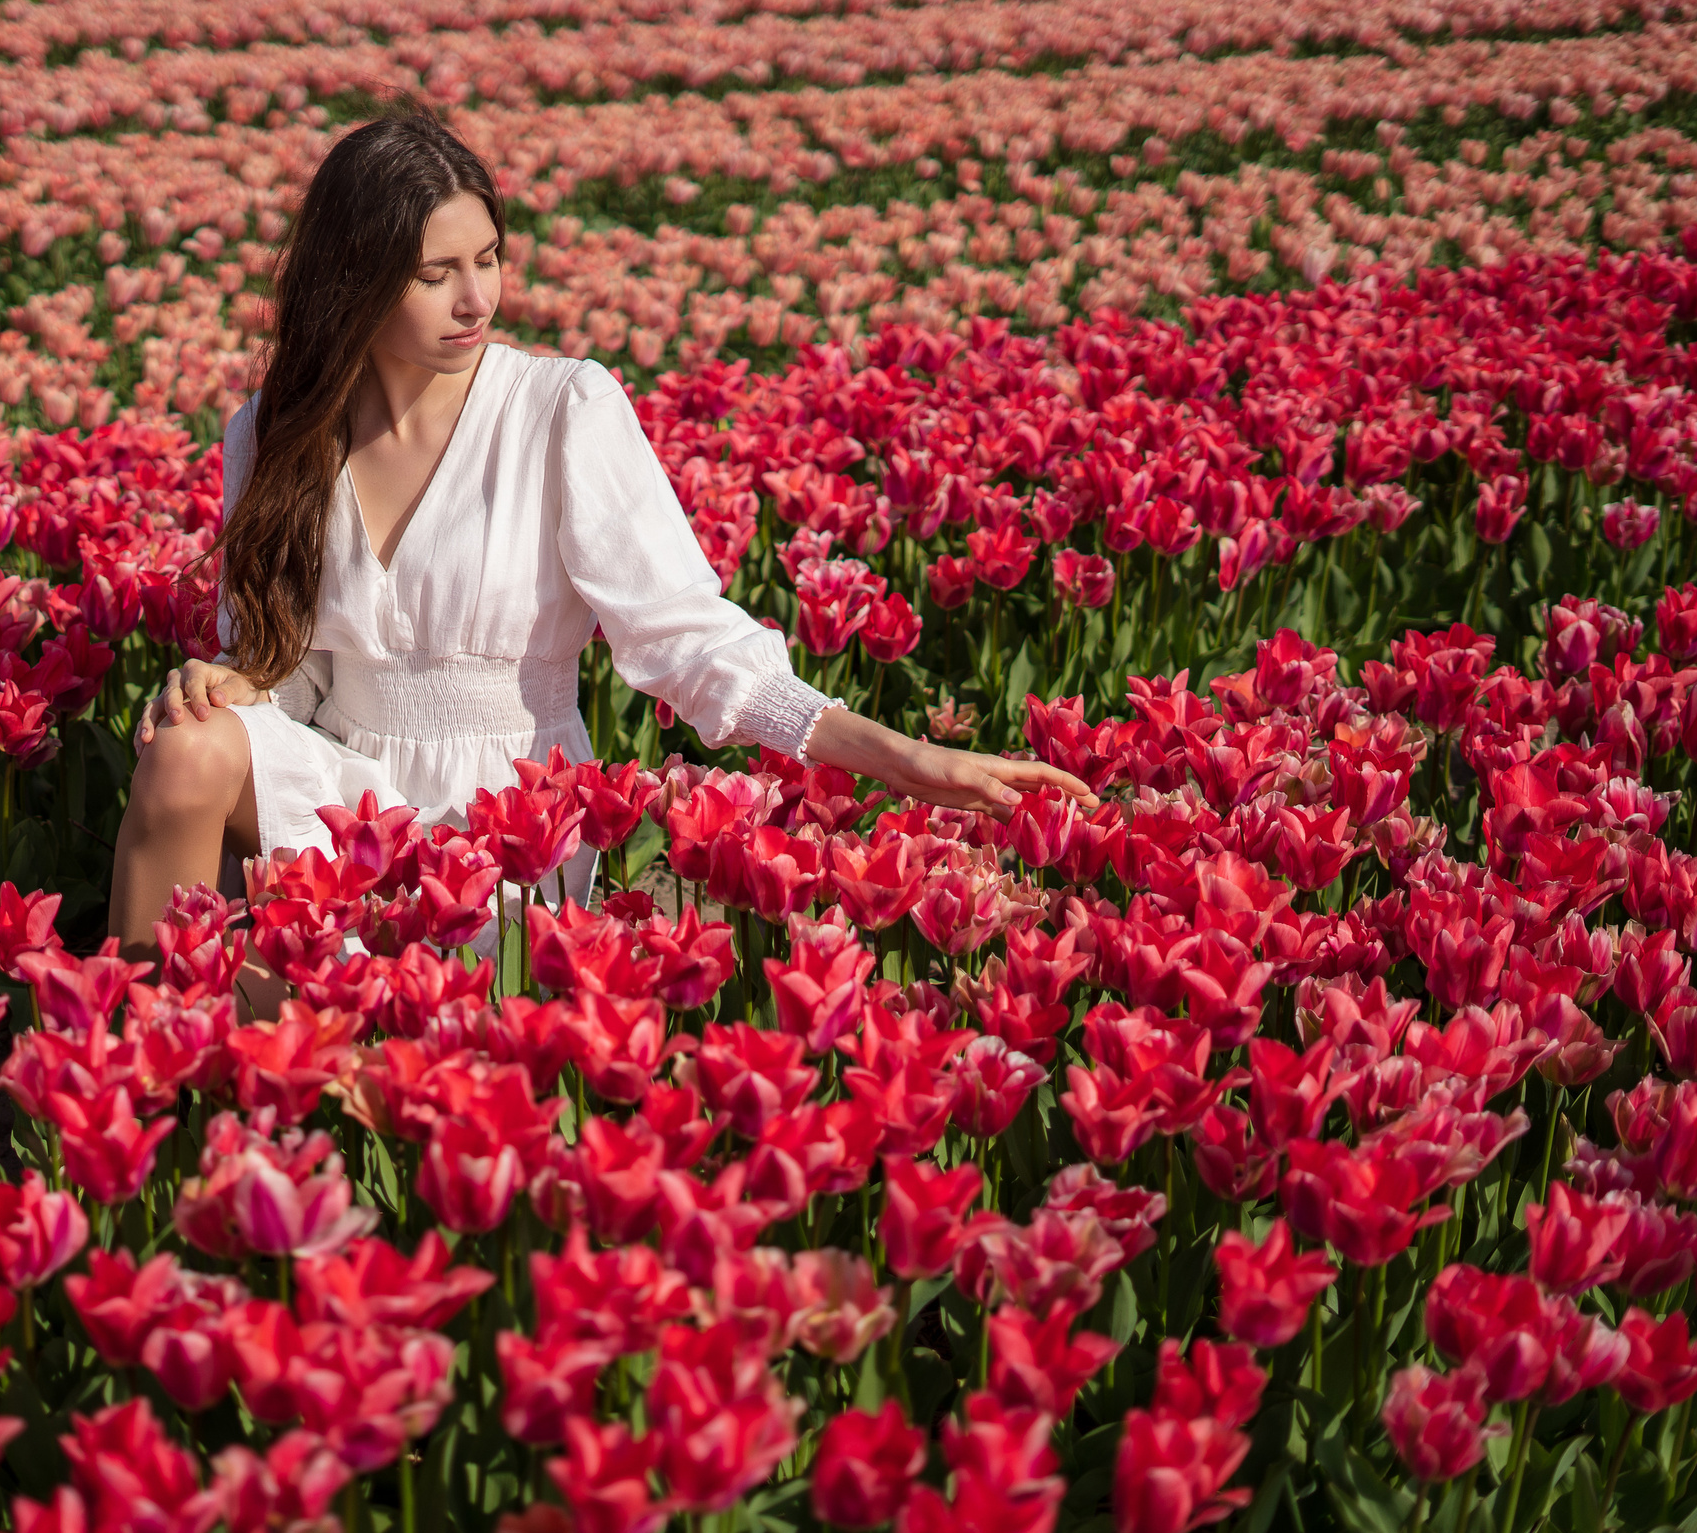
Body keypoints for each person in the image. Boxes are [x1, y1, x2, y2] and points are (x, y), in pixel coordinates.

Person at [106, 104, 1093, 985]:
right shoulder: (274, 430)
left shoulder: (558, 408)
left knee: (314, 1011)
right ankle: (136, 1062)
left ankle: (239, 1052)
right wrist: (233, 687)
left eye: (487, 259)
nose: (474, 301)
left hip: (508, 814)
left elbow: (688, 643)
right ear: (356, 278)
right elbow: (292, 674)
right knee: (184, 748)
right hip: (343, 795)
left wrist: (906, 757)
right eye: (433, 274)